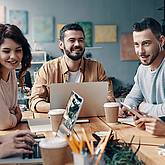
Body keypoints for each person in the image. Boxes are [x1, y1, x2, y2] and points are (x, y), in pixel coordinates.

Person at [29, 23, 115, 113]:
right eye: (72, 40)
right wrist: (64, 109)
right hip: (59, 121)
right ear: (61, 44)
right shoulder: (47, 69)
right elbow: (35, 102)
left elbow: (109, 98)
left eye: (81, 40)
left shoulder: (97, 67)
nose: (77, 44)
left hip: (92, 121)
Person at [119, 17, 165, 117]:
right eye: (136, 44)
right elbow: (133, 98)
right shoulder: (142, 69)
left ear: (161, 41)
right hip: (148, 129)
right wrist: (125, 108)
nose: (140, 51)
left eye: (146, 43)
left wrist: (142, 107)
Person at [0, 24, 32, 130]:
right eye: (6, 51)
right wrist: (17, 117)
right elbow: (4, 123)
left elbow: (13, 109)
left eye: (18, 50)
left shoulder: (11, 71)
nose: (13, 56)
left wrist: (11, 115)